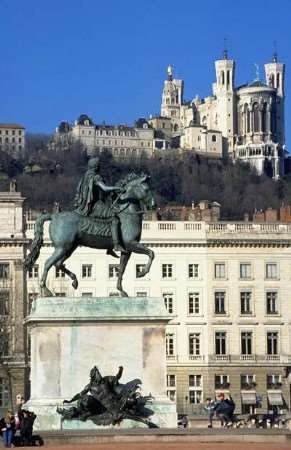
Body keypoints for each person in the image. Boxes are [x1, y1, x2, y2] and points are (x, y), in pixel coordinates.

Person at [74, 157, 125, 253]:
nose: (100, 167)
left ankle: (109, 246)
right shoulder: (95, 177)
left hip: (86, 205)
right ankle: (116, 245)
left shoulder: (85, 176)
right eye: (99, 165)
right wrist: (116, 188)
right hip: (96, 205)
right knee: (115, 218)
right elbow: (104, 188)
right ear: (96, 167)